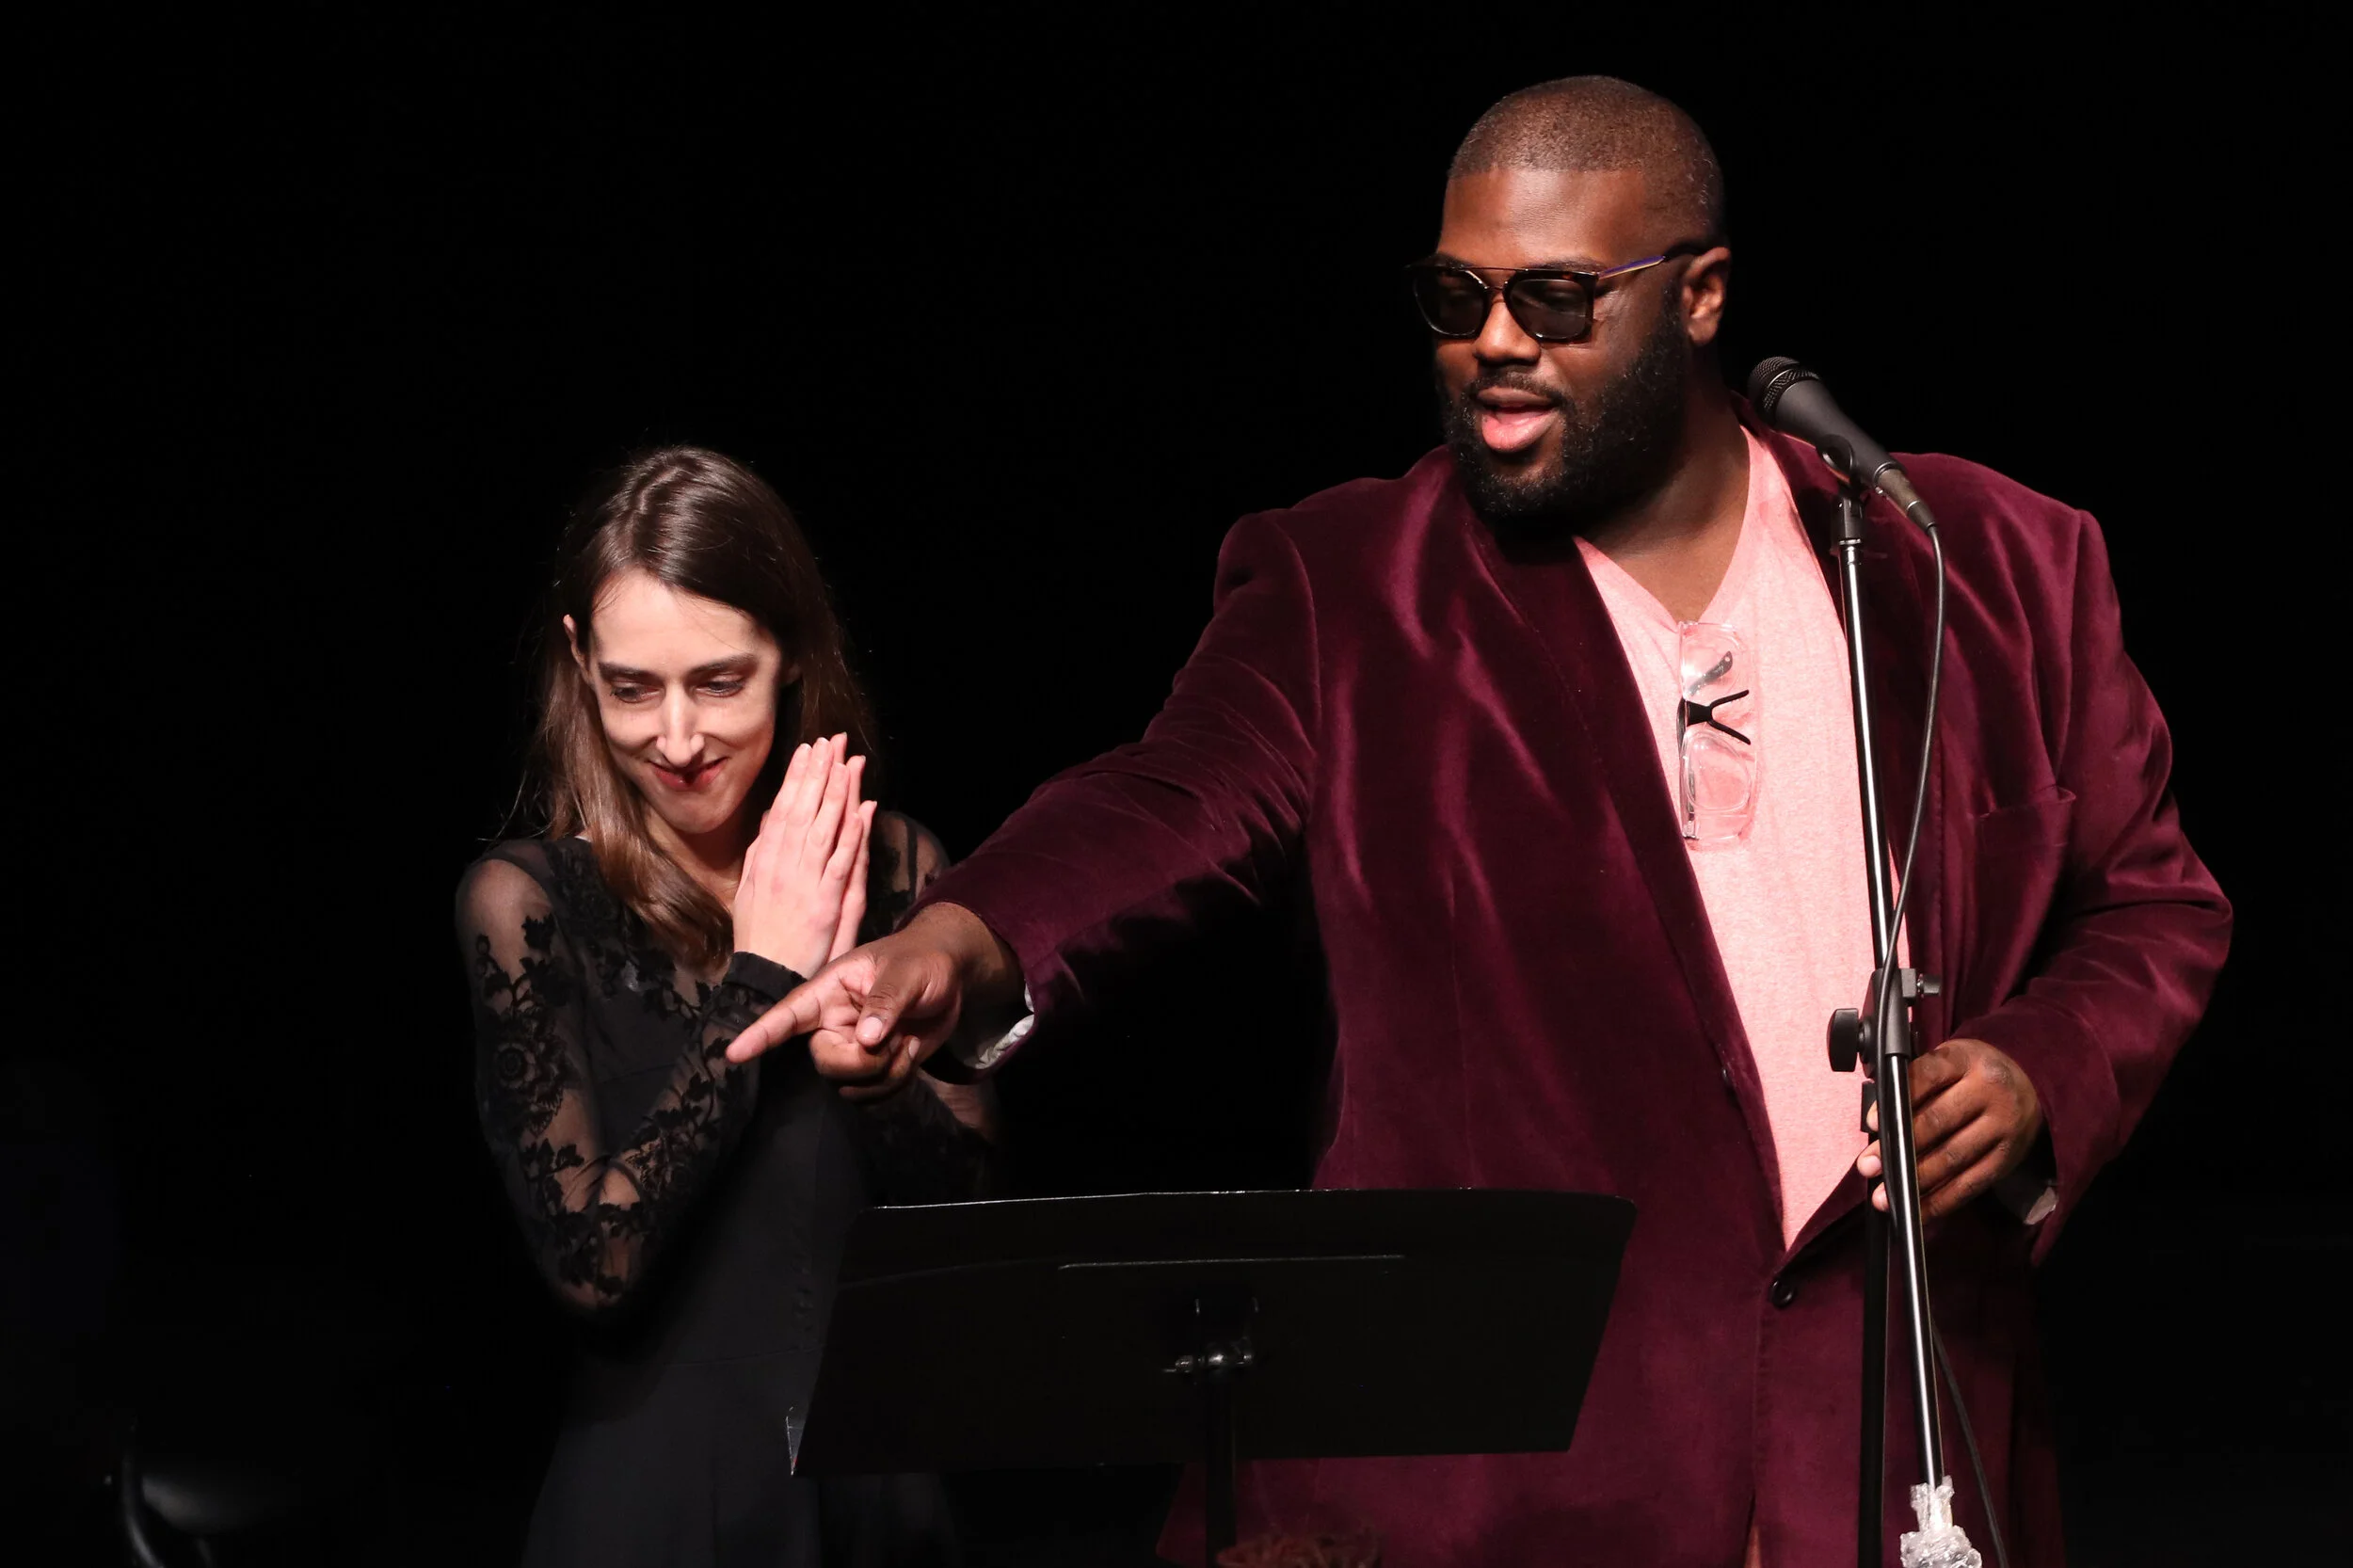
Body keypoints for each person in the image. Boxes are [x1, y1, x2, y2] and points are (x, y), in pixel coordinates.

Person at [730, 78, 2232, 1564]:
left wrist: (2040, 1066)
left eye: (1557, 298)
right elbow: (1166, 800)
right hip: (1534, 1470)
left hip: (1889, 1437)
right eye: (1458, 297)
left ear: (1702, 294)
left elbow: (2154, 904)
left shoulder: (1978, 560)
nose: (1494, 343)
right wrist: (961, 938)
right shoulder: (1357, 586)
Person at [456, 447, 984, 1567]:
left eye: (719, 681)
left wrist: (872, 1064)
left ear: (789, 654)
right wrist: (762, 981)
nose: (679, 738)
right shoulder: (527, 903)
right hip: (653, 1506)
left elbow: (973, 1223)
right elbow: (592, 1265)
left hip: (882, 1495)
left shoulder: (897, 867)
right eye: (631, 687)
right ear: (577, 663)